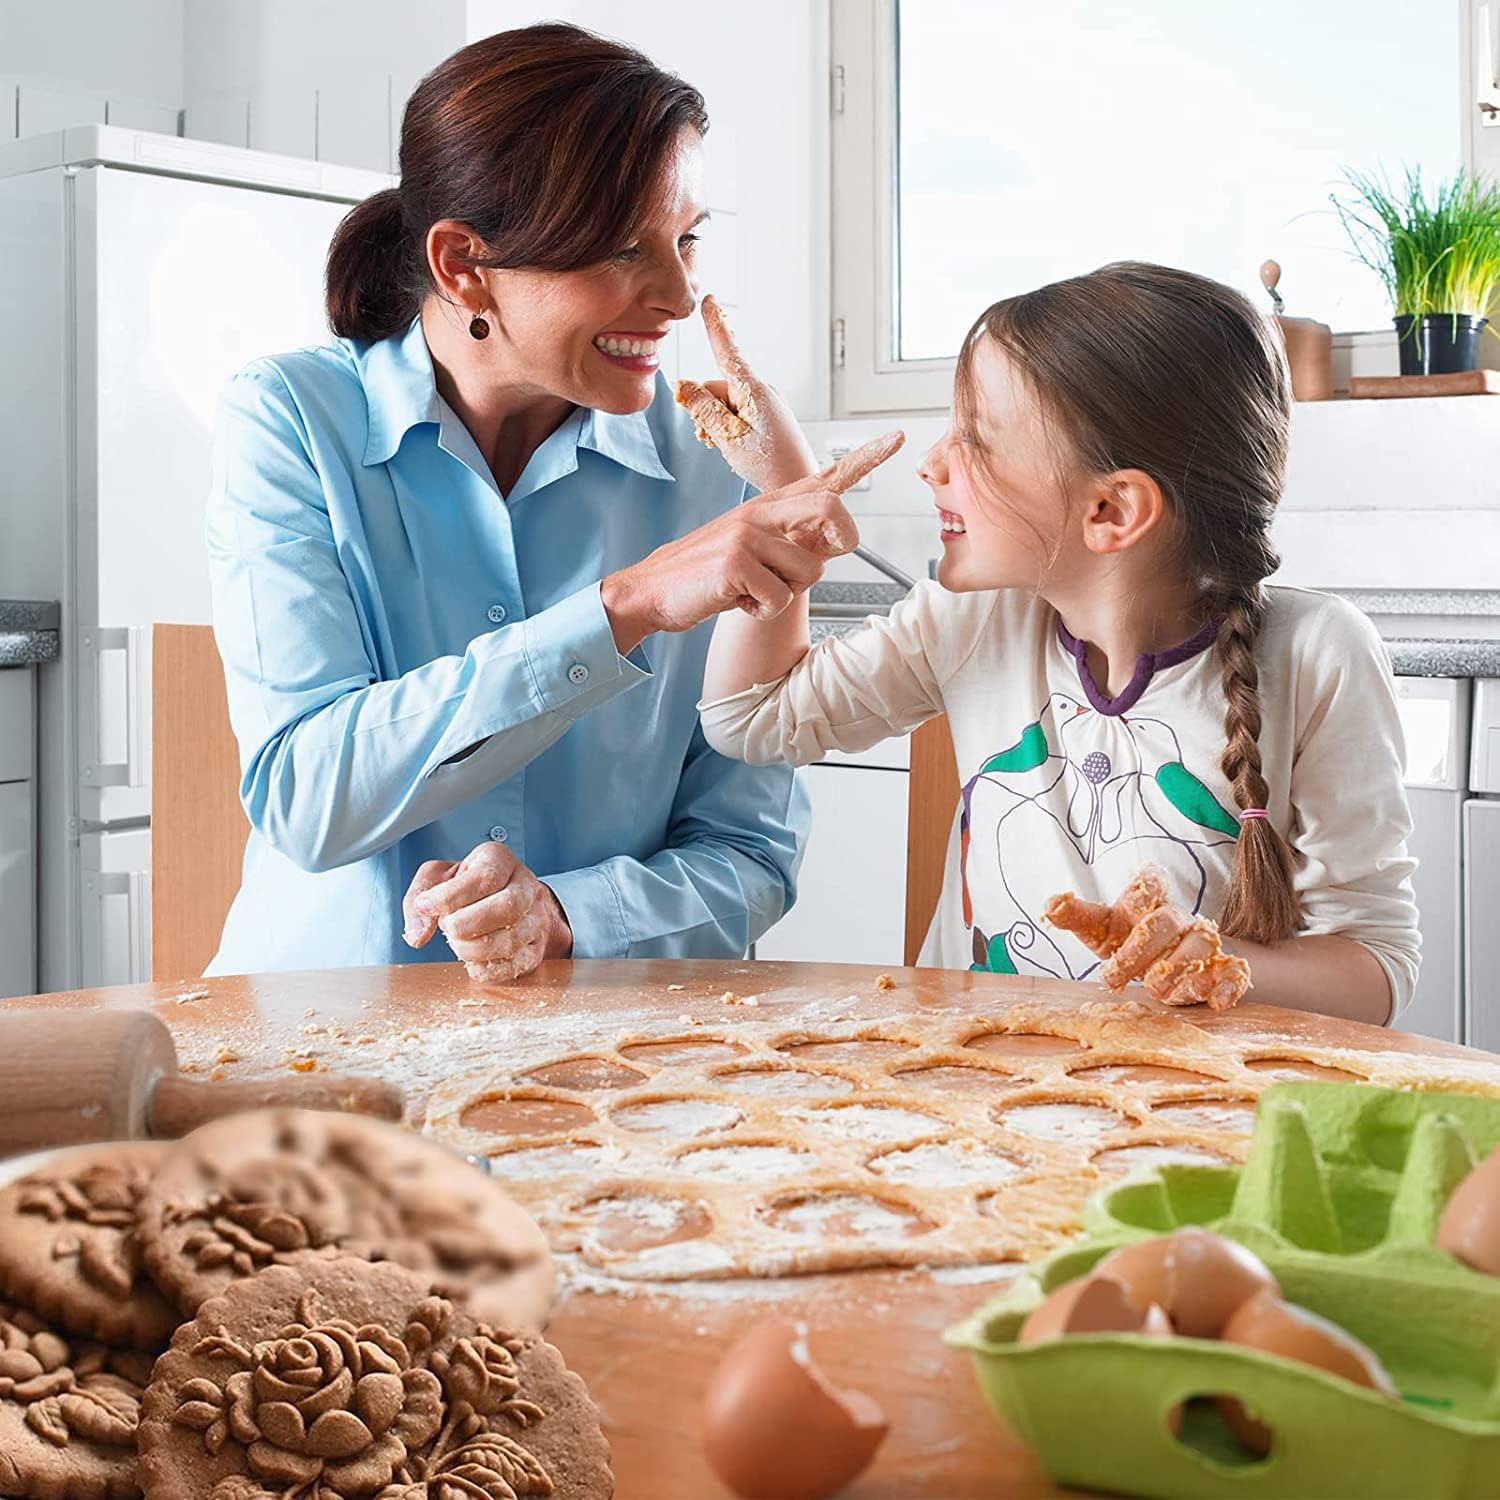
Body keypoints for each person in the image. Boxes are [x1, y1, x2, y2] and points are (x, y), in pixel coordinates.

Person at [206, 23, 855, 981]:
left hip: (607, 1058)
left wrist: (568, 915)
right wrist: (623, 609)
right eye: (625, 251)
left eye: (684, 242)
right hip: (321, 1043)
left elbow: (752, 852)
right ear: (464, 263)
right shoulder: (293, 419)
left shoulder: (719, 472)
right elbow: (308, 799)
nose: (679, 296)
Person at [699, 263, 1420, 1026]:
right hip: (977, 1085)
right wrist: (784, 498)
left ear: (1110, 509)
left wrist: (1221, 965)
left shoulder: (1318, 655)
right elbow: (750, 718)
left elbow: (1373, 969)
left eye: (974, 440)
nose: (932, 464)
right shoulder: (971, 618)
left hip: (1185, 1109)